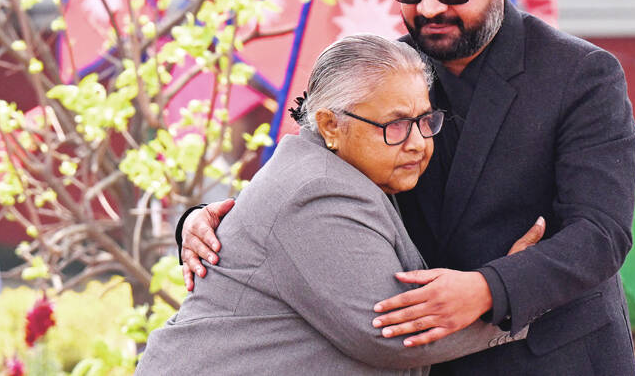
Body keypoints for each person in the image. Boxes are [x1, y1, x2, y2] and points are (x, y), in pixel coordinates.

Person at [179, 0, 635, 375]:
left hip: (556, 358)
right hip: (427, 360)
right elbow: (309, 172)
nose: (428, 9)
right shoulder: (382, 74)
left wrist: (488, 288)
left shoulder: (582, 75)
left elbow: (601, 232)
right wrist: (207, 222)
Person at [138, 35, 538, 375]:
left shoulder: (347, 167)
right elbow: (392, 333)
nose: (418, 141)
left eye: (425, 120)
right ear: (331, 125)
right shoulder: (317, 191)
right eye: (396, 124)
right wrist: (515, 294)